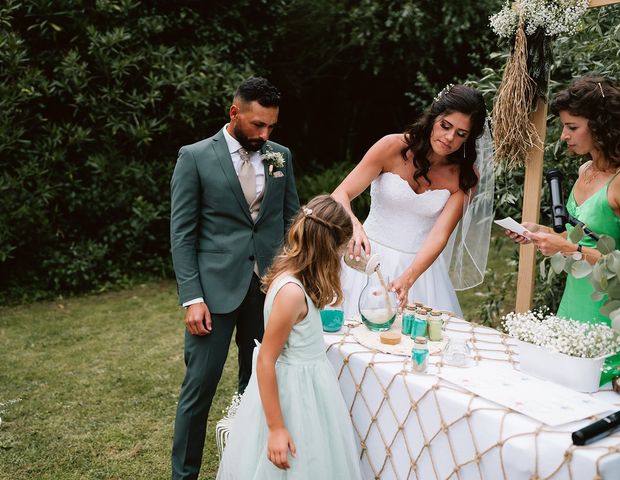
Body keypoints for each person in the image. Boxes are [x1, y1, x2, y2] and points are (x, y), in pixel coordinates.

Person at [170, 76, 300, 480]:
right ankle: (184, 474)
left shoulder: (281, 156)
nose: (265, 134)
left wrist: (294, 275)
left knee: (259, 383)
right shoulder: (195, 157)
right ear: (234, 113)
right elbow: (182, 232)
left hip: (267, 289)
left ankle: (247, 469)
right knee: (199, 390)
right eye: (257, 125)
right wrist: (192, 297)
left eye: (271, 127)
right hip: (213, 292)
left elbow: (291, 218)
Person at [216, 195, 362, 479]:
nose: (342, 256)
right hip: (296, 394)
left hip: (308, 385)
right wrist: (277, 428)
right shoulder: (292, 292)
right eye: (342, 248)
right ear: (329, 247)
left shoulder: (296, 278)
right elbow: (266, 360)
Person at [505, 75, 620, 371]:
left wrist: (569, 248)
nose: (564, 135)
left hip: (610, 311)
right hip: (573, 301)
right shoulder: (585, 170)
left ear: (601, 125)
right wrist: (541, 233)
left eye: (572, 126)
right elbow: (578, 237)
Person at [332, 84, 493, 319]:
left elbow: (440, 235)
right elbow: (340, 194)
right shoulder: (392, 147)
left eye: (461, 134)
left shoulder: (465, 177)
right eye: (445, 126)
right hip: (367, 257)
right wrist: (355, 226)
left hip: (420, 270)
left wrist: (409, 277)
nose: (449, 138)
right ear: (433, 117)